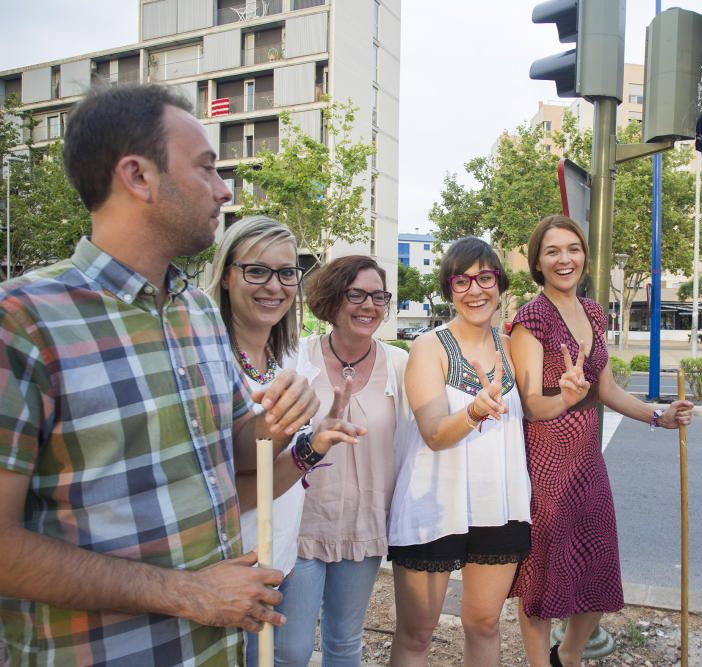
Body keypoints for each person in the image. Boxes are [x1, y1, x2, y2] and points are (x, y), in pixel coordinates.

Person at [0, 84, 334, 665]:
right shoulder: (23, 322)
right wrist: (190, 595)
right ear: (138, 176)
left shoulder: (197, 311)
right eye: (206, 167)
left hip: (217, 649)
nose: (224, 189)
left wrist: (279, 423)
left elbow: (235, 455)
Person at [509, 215, 693, 667]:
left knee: (598, 565)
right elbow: (532, 404)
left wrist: (659, 416)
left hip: (589, 464)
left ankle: (567, 655)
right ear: (537, 262)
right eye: (552, 251)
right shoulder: (530, 318)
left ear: (585, 256)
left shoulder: (592, 311)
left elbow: (605, 389)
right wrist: (565, 396)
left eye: (572, 248)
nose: (564, 259)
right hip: (546, 463)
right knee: (542, 576)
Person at [206, 217, 364, 666]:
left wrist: (316, 442)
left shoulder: (288, 359)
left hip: (280, 555)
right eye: (257, 271)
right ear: (226, 276)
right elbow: (228, 494)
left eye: (287, 272)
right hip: (224, 572)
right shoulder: (209, 359)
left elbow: (268, 480)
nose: (274, 286)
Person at [388, 238, 532, 666]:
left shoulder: (512, 348)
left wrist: (565, 395)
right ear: (449, 289)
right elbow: (433, 433)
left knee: (484, 624)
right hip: (434, 506)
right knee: (416, 635)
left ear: (500, 284)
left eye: (485, 278)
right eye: (462, 280)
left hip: (498, 506)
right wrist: (472, 411)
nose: (476, 289)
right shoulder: (428, 347)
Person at [277, 255, 409, 667]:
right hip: (300, 525)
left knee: (344, 643)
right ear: (333, 298)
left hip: (363, 525)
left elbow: (418, 441)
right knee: (290, 650)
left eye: (378, 296)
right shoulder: (296, 358)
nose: (369, 305)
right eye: (357, 294)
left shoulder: (400, 365)